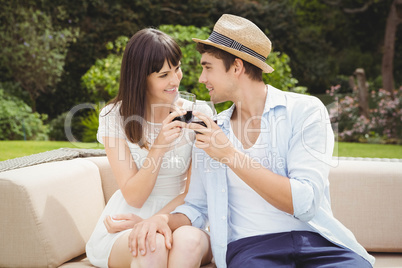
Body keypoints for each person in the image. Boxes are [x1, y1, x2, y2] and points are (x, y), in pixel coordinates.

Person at [128, 14, 375, 268]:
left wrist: (230, 155)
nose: (201, 79)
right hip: (253, 250)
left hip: (319, 245)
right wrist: (163, 220)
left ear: (236, 67)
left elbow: (305, 201)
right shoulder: (210, 130)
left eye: (207, 67)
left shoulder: (305, 111)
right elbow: (197, 207)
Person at [86, 28, 213, 268]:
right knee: (150, 246)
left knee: (186, 243)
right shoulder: (114, 117)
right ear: (140, 77)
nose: (175, 80)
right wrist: (159, 147)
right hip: (130, 215)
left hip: (182, 215)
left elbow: (193, 191)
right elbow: (135, 195)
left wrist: (152, 221)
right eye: (164, 74)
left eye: (177, 68)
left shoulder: (198, 113)